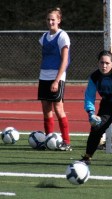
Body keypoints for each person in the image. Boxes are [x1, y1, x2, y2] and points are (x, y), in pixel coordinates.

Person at [37, 7, 72, 150]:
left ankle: (66, 141)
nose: (51, 22)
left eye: (53, 19)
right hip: (43, 75)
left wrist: (57, 80)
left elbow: (65, 60)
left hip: (56, 76)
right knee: (46, 109)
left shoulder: (63, 36)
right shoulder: (44, 37)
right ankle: (49, 138)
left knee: (58, 108)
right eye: (48, 19)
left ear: (59, 20)